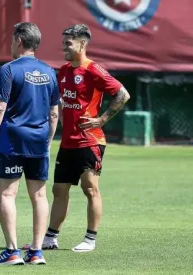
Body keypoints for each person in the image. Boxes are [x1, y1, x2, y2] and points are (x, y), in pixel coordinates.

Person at [24, 24, 130, 253]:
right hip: (68, 142)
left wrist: (102, 119)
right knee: (59, 190)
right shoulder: (62, 71)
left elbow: (123, 94)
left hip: (90, 141)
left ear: (82, 43)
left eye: (68, 42)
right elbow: (62, 101)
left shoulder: (94, 70)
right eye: (63, 42)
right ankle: (50, 238)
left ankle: (90, 239)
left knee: (90, 188)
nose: (64, 46)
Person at [0, 22, 60, 265]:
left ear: (19, 40)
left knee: (8, 194)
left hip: (13, 140)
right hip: (39, 140)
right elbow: (54, 113)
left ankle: (12, 251)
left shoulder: (9, 69)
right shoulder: (50, 71)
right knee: (39, 195)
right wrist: (47, 140)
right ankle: (37, 252)